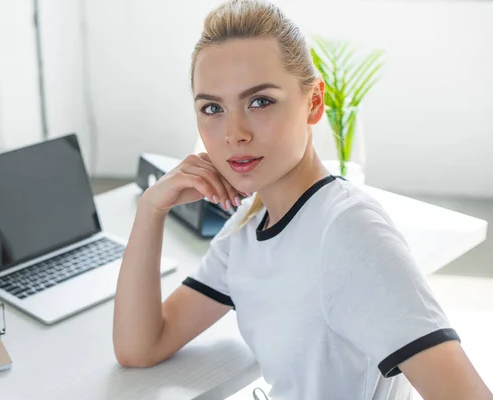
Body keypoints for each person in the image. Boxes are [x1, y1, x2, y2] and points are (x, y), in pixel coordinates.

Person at [112, 0, 493, 398]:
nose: (234, 133)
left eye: (260, 101)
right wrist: (150, 209)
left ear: (313, 103)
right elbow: (141, 346)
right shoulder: (246, 226)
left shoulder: (349, 233)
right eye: (212, 108)